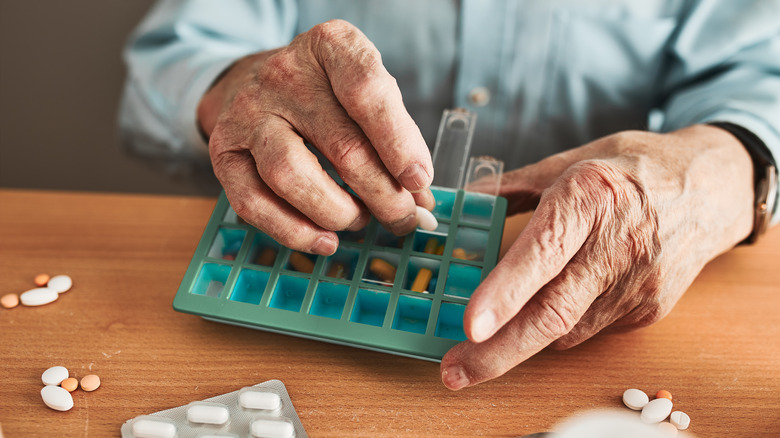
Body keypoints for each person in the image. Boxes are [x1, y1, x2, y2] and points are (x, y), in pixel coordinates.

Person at [120, 0, 780, 390]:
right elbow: (169, 57)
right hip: (303, 316)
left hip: (579, 362)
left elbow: (760, 74)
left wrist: (721, 166)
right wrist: (238, 85)